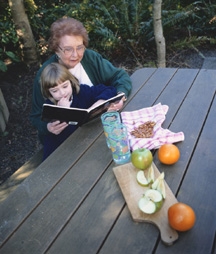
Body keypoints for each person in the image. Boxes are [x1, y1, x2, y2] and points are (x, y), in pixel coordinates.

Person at [30, 17, 132, 146]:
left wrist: (120, 95)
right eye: (68, 49)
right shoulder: (45, 75)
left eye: (79, 47)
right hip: (65, 142)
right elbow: (36, 117)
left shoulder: (90, 58)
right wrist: (48, 127)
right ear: (56, 50)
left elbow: (120, 76)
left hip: (98, 127)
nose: (76, 55)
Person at [40, 62, 119, 160]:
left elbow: (109, 89)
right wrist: (65, 113)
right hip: (60, 155)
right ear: (48, 92)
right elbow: (68, 140)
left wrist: (99, 102)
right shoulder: (51, 109)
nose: (62, 93)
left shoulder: (80, 92)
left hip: (86, 142)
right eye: (55, 91)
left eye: (65, 86)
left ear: (71, 81)